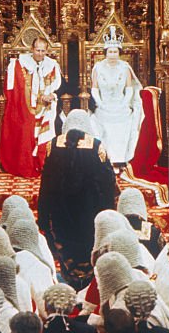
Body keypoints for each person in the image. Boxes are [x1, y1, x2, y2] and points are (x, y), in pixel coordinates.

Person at [37, 110, 118, 288]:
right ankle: (88, 284)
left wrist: (43, 215)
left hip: (61, 211)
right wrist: (109, 211)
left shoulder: (53, 145)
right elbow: (107, 184)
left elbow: (46, 183)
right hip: (89, 212)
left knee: (67, 246)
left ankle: (71, 281)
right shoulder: (97, 147)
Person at [0, 36, 63, 177]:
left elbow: (59, 87)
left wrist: (52, 95)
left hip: (47, 106)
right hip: (26, 107)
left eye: (43, 51)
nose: (40, 54)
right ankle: (28, 163)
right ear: (32, 49)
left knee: (51, 123)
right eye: (37, 50)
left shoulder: (52, 65)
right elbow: (13, 89)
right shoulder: (20, 64)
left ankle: (43, 163)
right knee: (25, 126)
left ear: (47, 51)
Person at [90, 27, 144, 165]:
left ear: (119, 53)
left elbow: (129, 89)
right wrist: (100, 103)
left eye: (115, 52)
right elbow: (94, 89)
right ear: (105, 52)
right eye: (110, 52)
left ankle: (121, 159)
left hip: (121, 105)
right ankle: (106, 158)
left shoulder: (125, 67)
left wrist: (124, 103)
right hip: (104, 105)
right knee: (97, 120)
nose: (112, 54)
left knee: (126, 121)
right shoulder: (98, 67)